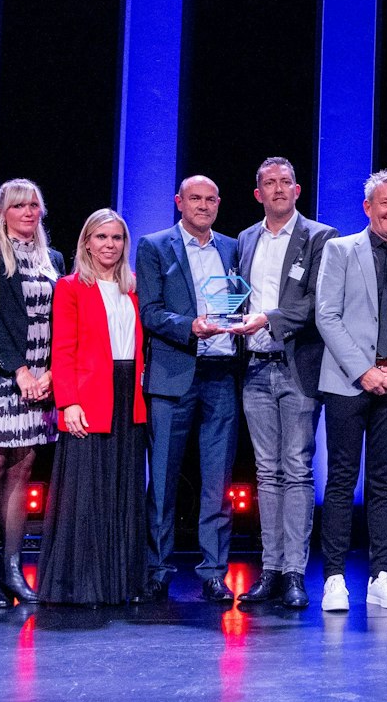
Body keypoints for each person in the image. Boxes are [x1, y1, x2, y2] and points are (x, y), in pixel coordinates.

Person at [313, 170, 387, 611]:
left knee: (384, 481)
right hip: (347, 383)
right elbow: (327, 316)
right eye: (385, 203)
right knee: (341, 480)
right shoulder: (341, 250)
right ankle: (335, 578)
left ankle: (382, 575)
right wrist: (363, 372)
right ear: (368, 207)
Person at [228, 157, 334, 610]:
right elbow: (233, 295)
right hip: (255, 366)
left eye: (284, 182)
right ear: (257, 194)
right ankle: (270, 570)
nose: (277, 189)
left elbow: (318, 302)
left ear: (297, 189)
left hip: (299, 366)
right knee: (266, 473)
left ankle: (295, 572)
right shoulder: (246, 239)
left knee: (297, 469)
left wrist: (267, 319)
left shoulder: (320, 237)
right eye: (268, 183)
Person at [136, 176, 243, 604]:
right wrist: (190, 327)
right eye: (194, 198)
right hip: (173, 373)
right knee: (161, 478)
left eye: (210, 199)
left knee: (218, 480)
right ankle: (158, 568)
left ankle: (214, 570)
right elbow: (149, 311)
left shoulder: (233, 248)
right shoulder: (154, 245)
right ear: (179, 202)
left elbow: (242, 300)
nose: (202, 205)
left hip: (222, 372)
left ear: (219, 203)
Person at [0, 179, 65, 608]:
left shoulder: (53, 258)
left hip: (43, 378)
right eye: (18, 206)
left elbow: (63, 319)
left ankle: (12, 568)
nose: (27, 213)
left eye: (34, 206)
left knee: (23, 473)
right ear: (3, 212)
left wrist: (53, 373)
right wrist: (19, 370)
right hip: (1, 375)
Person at [41, 209, 150, 605]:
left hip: (127, 396)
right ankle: (81, 584)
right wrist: (67, 402)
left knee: (122, 489)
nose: (109, 245)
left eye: (117, 238)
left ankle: (119, 584)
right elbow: (63, 349)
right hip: (88, 396)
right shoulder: (70, 287)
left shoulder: (133, 287)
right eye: (101, 237)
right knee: (86, 492)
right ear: (87, 242)